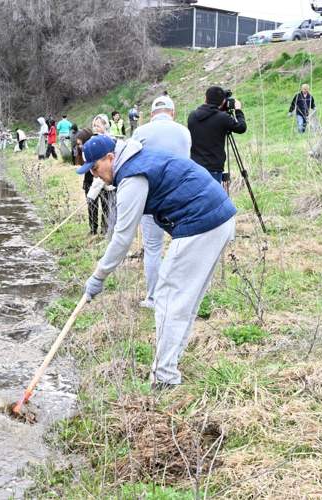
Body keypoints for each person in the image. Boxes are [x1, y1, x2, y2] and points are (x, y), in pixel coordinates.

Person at [77, 135, 236, 390]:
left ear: (110, 158)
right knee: (183, 300)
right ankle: (168, 369)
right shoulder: (138, 158)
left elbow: (122, 237)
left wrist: (99, 276)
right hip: (218, 217)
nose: (96, 175)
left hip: (202, 222)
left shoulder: (132, 176)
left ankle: (164, 378)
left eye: (96, 168)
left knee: (169, 298)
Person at [131, 94, 192, 309]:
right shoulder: (184, 132)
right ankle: (181, 293)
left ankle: (153, 297)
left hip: (151, 196)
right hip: (180, 195)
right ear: (172, 113)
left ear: (151, 114)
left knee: (153, 247)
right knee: (182, 243)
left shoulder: (140, 132)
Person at [187, 86, 247, 184]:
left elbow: (210, 118)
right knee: (212, 198)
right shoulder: (222, 118)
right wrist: (238, 110)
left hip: (195, 167)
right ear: (223, 102)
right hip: (213, 169)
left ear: (205, 98)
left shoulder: (192, 116)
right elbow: (241, 128)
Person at [75, 128, 109, 235]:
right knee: (92, 207)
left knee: (105, 206)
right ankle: (93, 230)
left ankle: (105, 230)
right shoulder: (82, 152)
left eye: (81, 144)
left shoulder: (96, 150)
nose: (80, 146)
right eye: (78, 144)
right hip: (89, 182)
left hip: (101, 182)